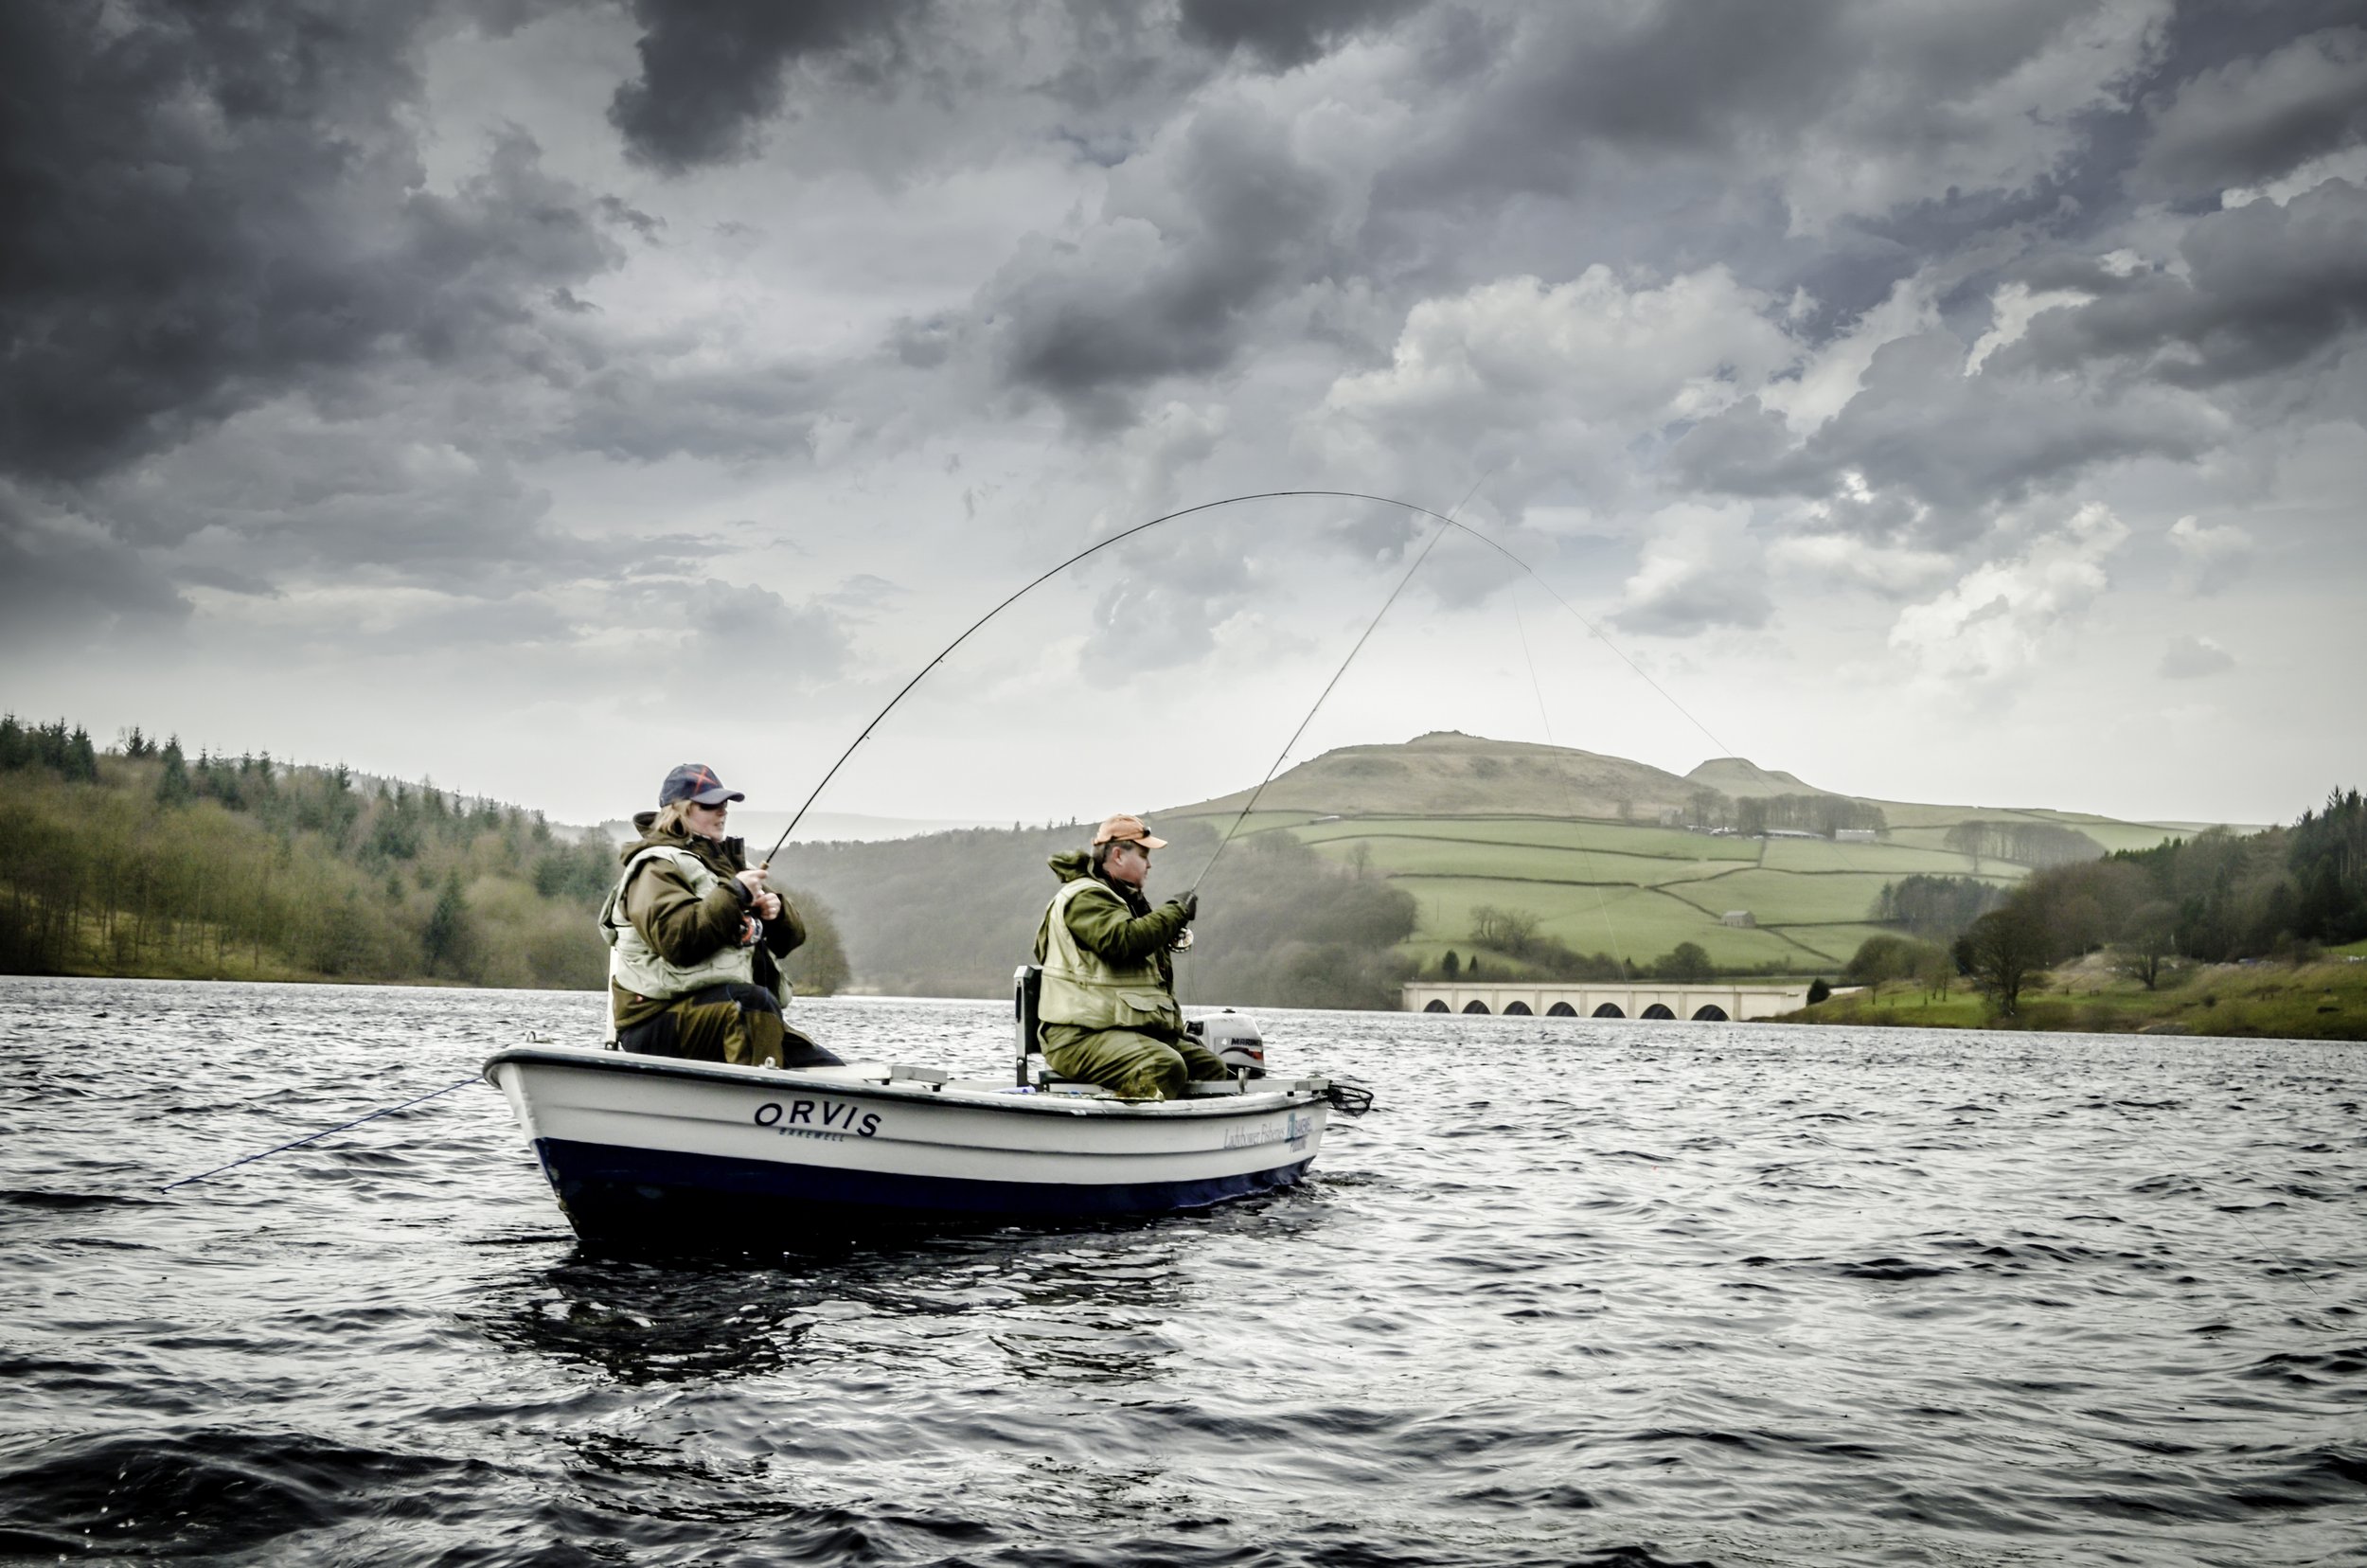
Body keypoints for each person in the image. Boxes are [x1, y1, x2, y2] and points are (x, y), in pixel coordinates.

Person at [600, 762, 841, 1069]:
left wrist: (775, 912)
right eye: (710, 804)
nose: (722, 811)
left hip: (718, 1009)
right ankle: (754, 1106)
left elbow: (790, 941)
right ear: (681, 810)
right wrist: (735, 893)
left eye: (724, 804)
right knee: (751, 1004)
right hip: (655, 1017)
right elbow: (677, 941)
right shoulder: (655, 867)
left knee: (829, 1070)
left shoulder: (726, 865)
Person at [1033, 813, 1228, 1099]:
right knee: (1165, 1065)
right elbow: (1122, 940)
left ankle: (1191, 1136)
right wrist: (1176, 911)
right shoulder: (1084, 898)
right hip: (1075, 1038)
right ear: (1118, 855)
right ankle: (1122, 1126)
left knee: (1211, 1069)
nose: (1149, 864)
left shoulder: (1125, 902)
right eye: (1143, 854)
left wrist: (1174, 1034)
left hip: (1116, 1032)